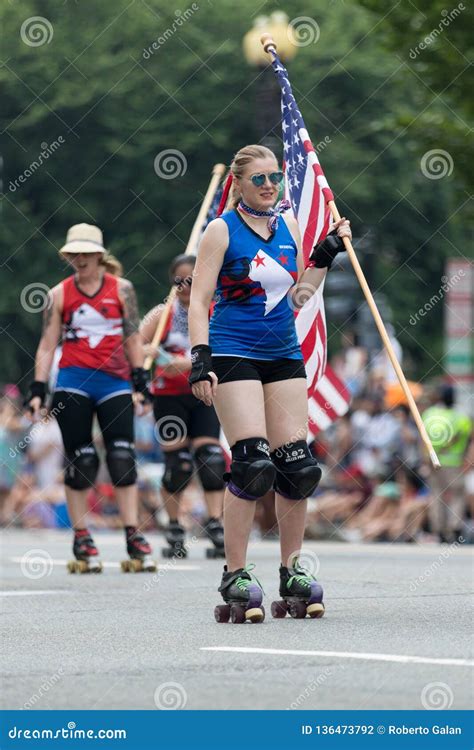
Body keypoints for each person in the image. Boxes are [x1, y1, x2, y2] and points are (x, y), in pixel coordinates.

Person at [187, 144, 351, 622]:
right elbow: (199, 301)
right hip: (234, 351)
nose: (268, 185)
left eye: (274, 177)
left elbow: (298, 294)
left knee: (297, 467)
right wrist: (201, 359)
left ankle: (292, 569)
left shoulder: (289, 228)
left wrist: (322, 257)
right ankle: (235, 572)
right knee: (252, 465)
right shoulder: (221, 230)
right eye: (258, 178)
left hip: (282, 353)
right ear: (237, 184)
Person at [24, 223, 155, 572]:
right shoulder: (59, 294)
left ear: (99, 256)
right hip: (74, 381)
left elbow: (132, 337)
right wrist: (38, 389)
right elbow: (48, 344)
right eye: (74, 255)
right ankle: (81, 534)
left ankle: (132, 532)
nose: (80, 260)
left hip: (114, 381)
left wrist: (141, 380)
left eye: (86, 254)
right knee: (81, 459)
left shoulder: (122, 290)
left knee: (122, 456)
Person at [141, 254, 226, 558]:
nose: (185, 285)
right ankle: (175, 525)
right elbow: (134, 347)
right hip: (168, 396)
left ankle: (216, 523)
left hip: (203, 392)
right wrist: (147, 350)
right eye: (179, 280)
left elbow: (221, 350)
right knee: (178, 465)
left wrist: (178, 362)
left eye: (191, 279)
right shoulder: (162, 314)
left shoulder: (213, 312)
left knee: (211, 459)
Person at [422, 384, 472, 543]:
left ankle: (439, 530)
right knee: (457, 495)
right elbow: (467, 438)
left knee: (436, 495)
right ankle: (454, 527)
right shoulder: (461, 417)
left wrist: (426, 459)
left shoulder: (429, 414)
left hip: (434, 461)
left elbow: (423, 439)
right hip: (454, 463)